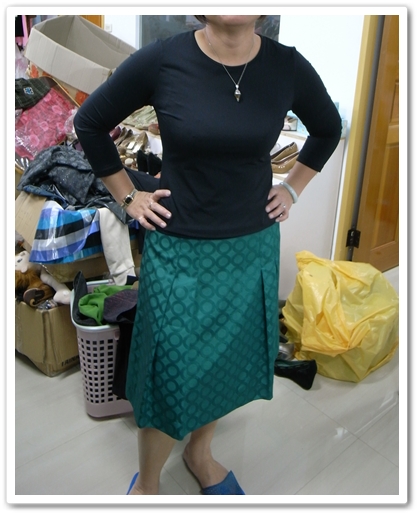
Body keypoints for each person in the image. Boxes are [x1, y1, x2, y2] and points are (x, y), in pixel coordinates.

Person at [74, 15, 342, 495]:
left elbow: (327, 128)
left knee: (221, 362)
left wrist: (293, 188)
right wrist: (127, 196)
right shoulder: (164, 60)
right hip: (180, 247)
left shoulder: (286, 66)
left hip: (250, 249)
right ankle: (148, 485)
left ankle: (199, 453)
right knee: (167, 369)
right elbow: (89, 122)